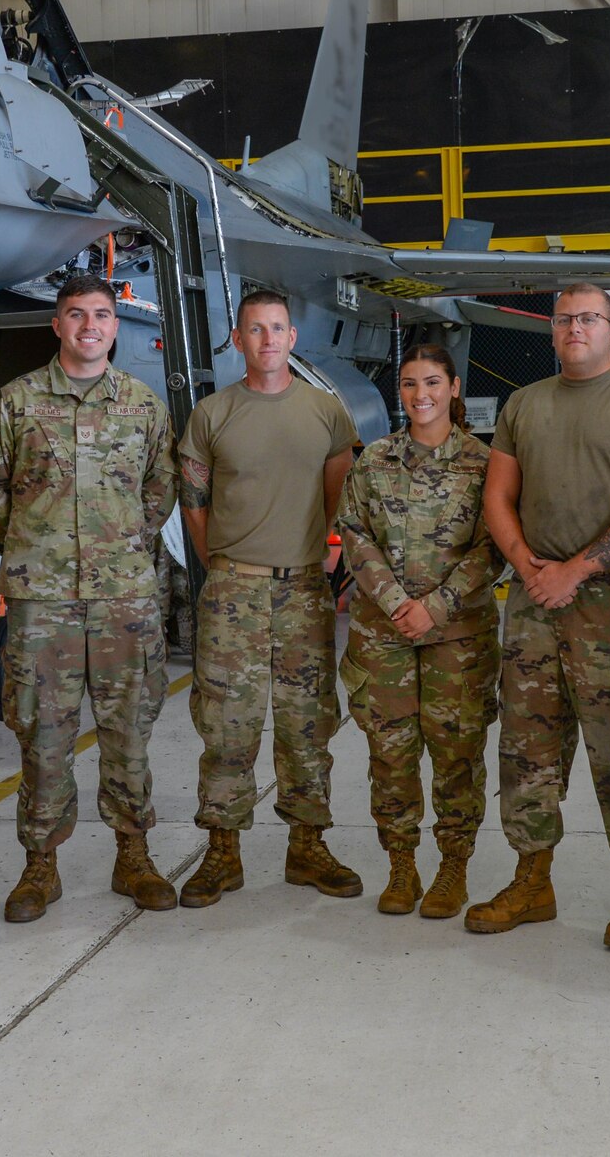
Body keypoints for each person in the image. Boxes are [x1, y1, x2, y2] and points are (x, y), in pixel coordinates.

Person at [469, 284, 610, 946]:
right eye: (565, 319)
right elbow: (497, 496)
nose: (576, 328)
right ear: (552, 330)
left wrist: (578, 569)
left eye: (590, 318)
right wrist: (530, 566)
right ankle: (533, 881)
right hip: (535, 598)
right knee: (526, 749)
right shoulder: (524, 404)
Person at [0, 274, 178, 922]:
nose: (90, 325)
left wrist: (120, 547)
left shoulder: (142, 404)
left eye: (102, 315)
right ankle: (41, 865)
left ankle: (134, 855)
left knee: (129, 734)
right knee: (42, 735)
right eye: (77, 314)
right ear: (57, 324)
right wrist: (34, 548)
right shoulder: (16, 403)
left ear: (116, 325)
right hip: (43, 602)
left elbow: (159, 490)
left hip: (122, 599)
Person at [177, 289, 362, 906]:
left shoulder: (326, 412)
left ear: (292, 337)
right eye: (255, 330)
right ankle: (222, 853)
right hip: (234, 589)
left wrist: (330, 549)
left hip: (305, 590)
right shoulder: (213, 414)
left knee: (307, 723)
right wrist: (223, 566)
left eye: (278, 328)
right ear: (238, 339)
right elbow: (194, 506)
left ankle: (307, 847)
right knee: (228, 723)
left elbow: (342, 495)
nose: (268, 340)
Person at [335, 345, 501, 917]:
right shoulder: (375, 460)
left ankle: (453, 865)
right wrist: (395, 600)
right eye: (408, 383)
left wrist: (438, 605)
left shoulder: (486, 464)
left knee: (458, 754)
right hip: (384, 637)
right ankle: (401, 865)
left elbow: (494, 546)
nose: (420, 394)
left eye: (432, 382)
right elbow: (353, 532)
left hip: (458, 636)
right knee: (390, 753)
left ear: (455, 388)